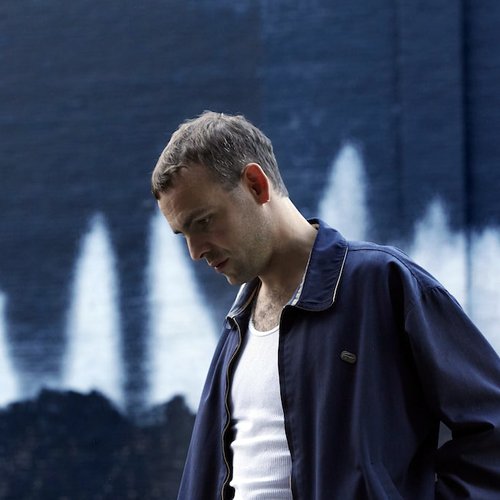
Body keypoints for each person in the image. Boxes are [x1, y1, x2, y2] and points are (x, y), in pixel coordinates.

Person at [151, 111, 500, 499]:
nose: (195, 251)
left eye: (203, 222)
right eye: (182, 234)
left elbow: (491, 428)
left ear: (255, 185)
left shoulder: (382, 284)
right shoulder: (237, 325)